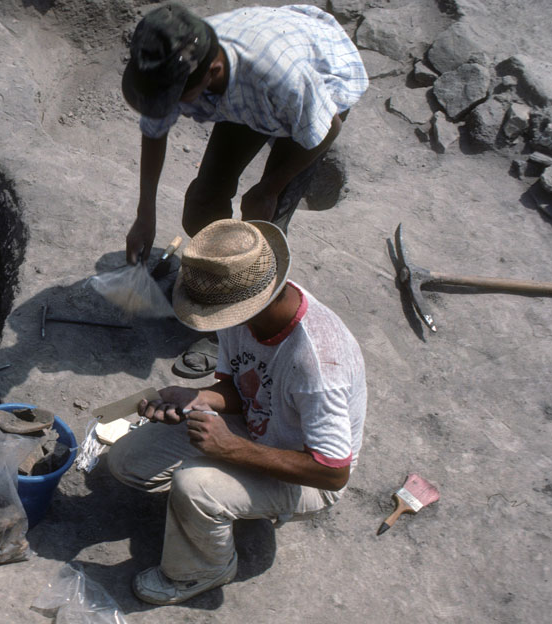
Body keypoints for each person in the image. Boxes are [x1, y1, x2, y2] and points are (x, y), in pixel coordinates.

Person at [107, 219, 367, 605]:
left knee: (194, 487)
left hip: (307, 474)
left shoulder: (317, 363)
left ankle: (204, 568)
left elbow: (332, 472)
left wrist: (230, 450)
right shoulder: (239, 310)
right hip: (259, 427)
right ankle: (213, 503)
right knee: (127, 460)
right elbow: (239, 385)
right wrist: (198, 398)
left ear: (253, 301)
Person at [121, 3, 367, 376]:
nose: (168, 108)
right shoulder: (173, 64)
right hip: (244, 98)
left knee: (264, 230)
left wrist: (270, 187)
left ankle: (236, 328)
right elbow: (154, 131)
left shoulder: (282, 79)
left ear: (212, 73)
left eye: (177, 100)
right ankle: (214, 289)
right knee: (201, 204)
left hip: (318, 94)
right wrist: (145, 213)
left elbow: (327, 128)